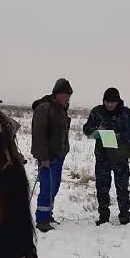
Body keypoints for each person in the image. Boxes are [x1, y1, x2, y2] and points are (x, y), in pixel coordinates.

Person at [82, 87, 130, 226]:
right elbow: (86, 129)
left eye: (112, 102)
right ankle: (103, 217)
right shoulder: (97, 112)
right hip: (102, 157)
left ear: (118, 102)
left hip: (120, 157)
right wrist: (96, 130)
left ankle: (124, 216)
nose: (109, 104)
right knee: (102, 188)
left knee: (122, 188)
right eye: (106, 101)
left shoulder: (126, 113)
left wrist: (116, 135)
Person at [31, 78, 73, 233]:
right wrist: (43, 157)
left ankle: (48, 215)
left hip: (58, 156)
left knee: (54, 188)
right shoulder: (44, 108)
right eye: (65, 95)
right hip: (47, 157)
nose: (68, 98)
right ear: (57, 94)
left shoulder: (61, 109)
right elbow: (39, 135)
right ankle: (41, 220)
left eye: (69, 95)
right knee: (47, 188)